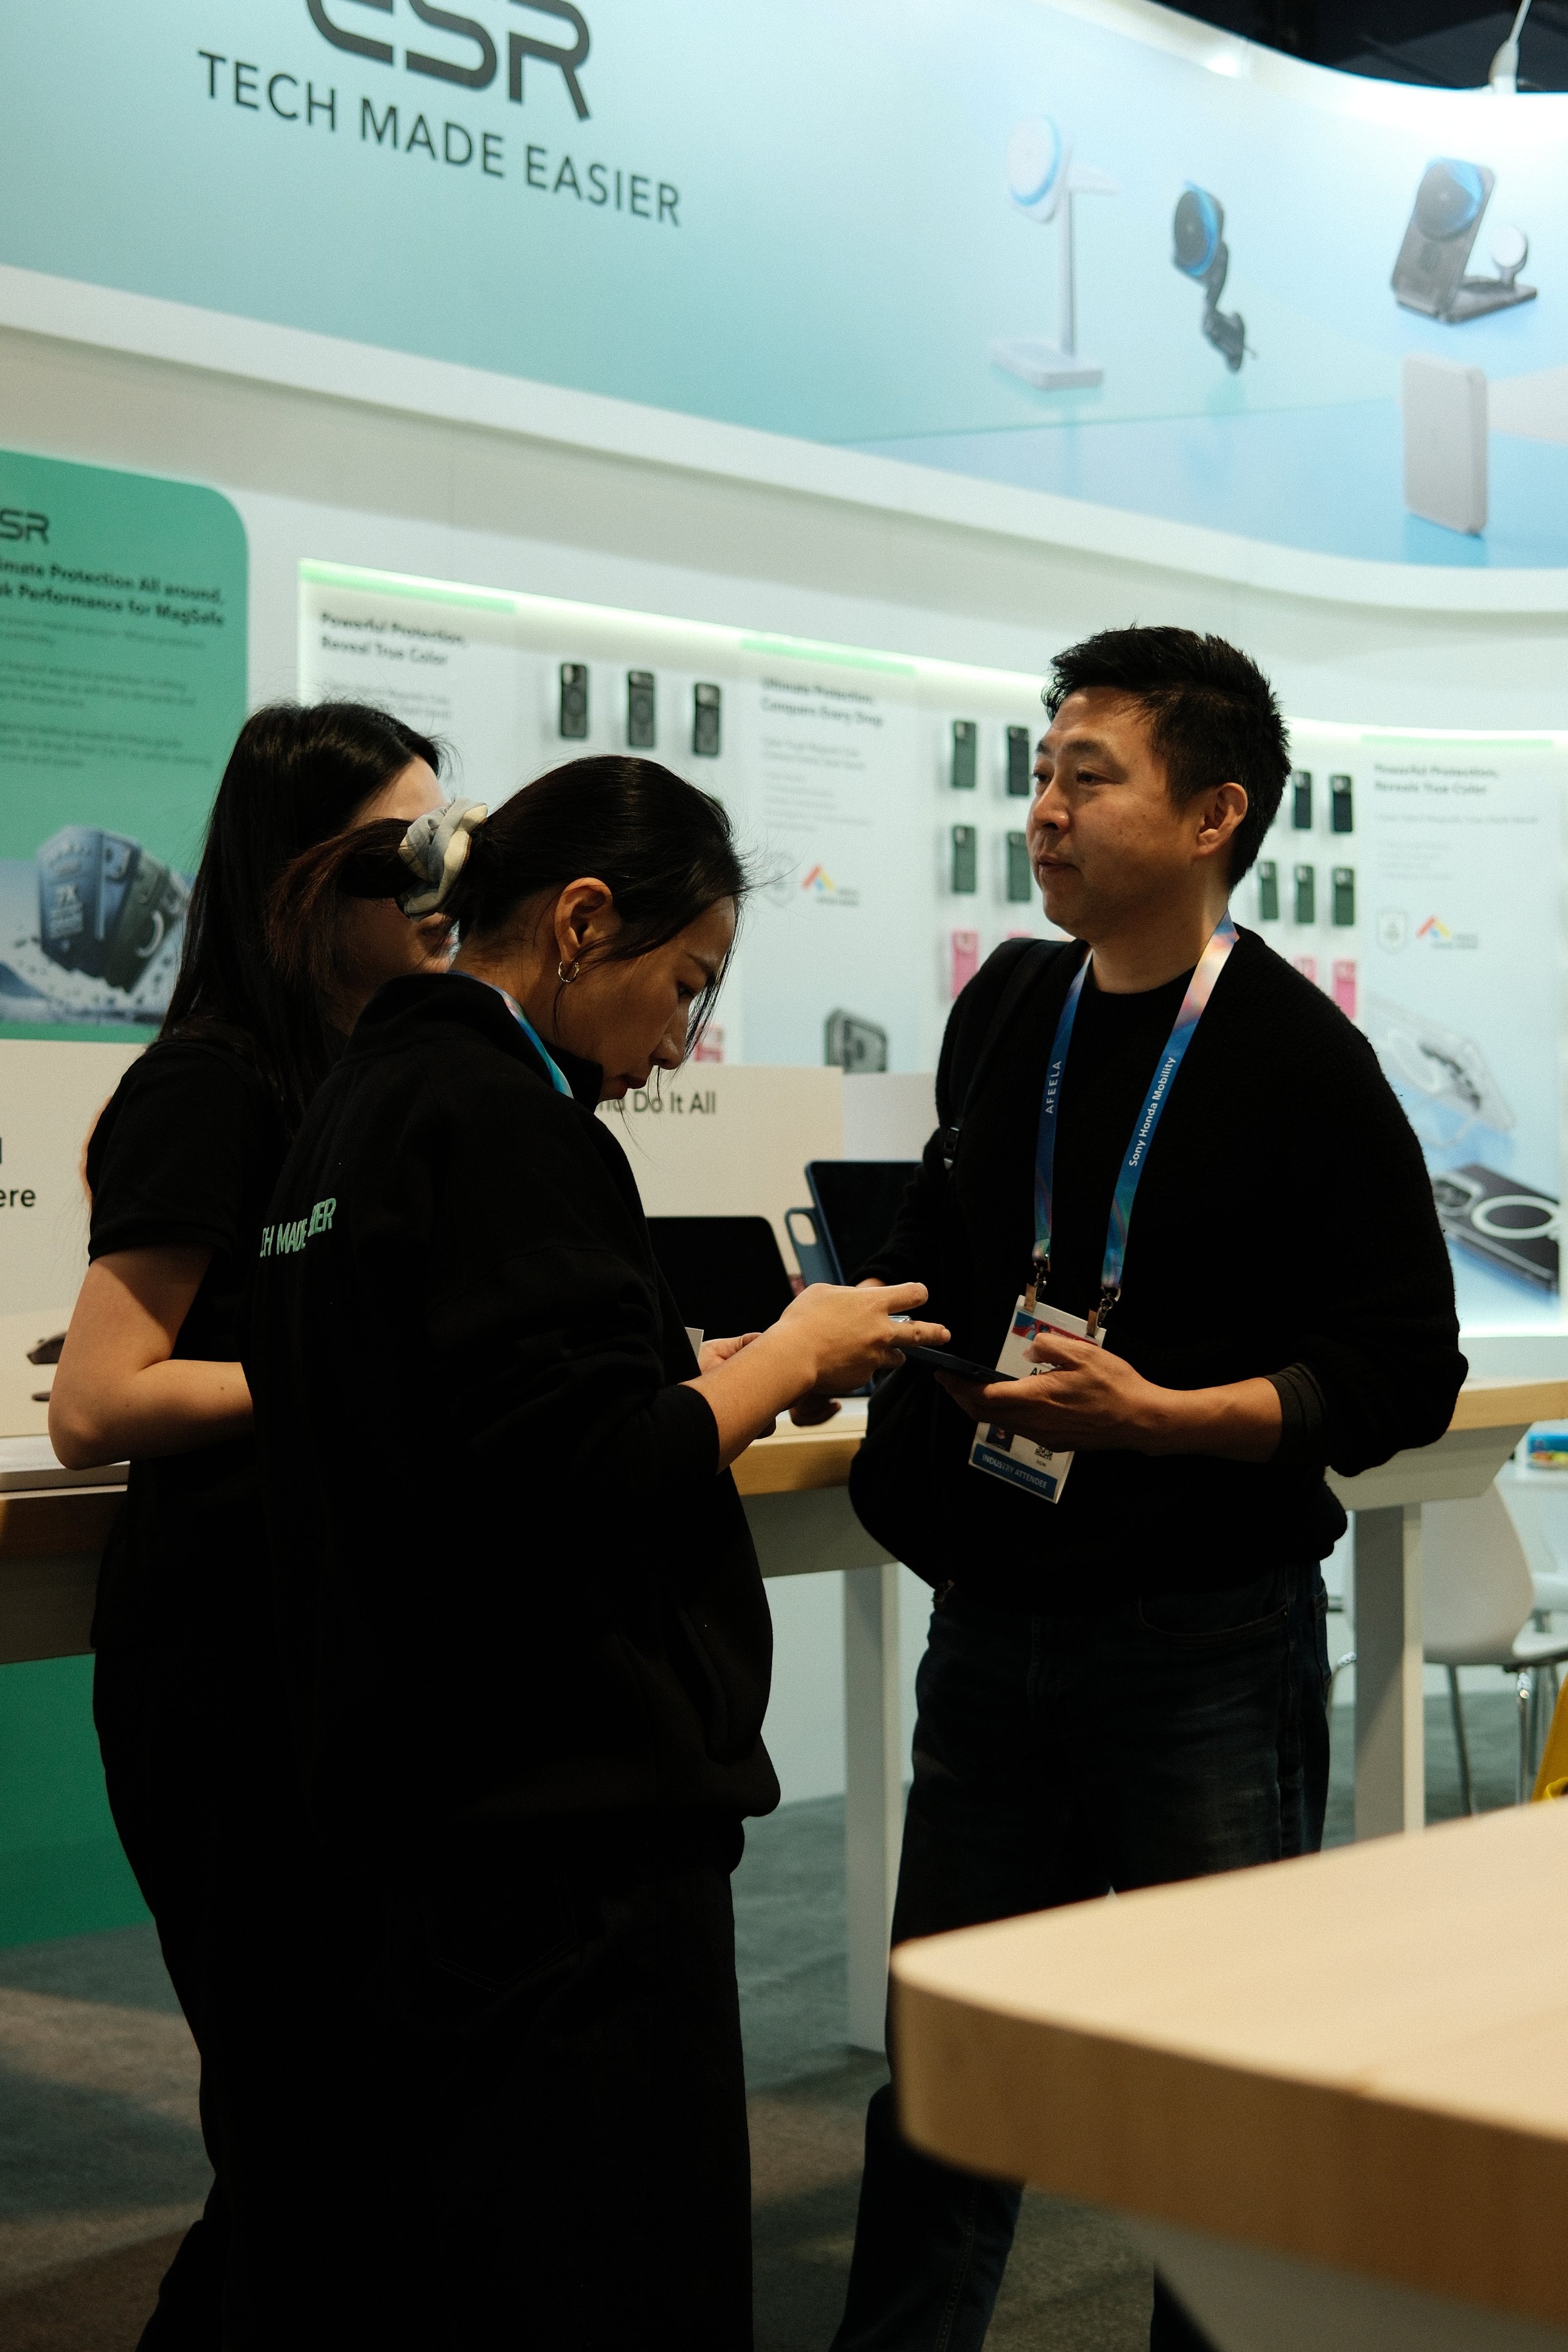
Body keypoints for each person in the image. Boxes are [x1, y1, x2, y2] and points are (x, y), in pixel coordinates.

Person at [245, 753, 948, 2349]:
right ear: (578, 923)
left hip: (419, 1796)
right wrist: (787, 1355)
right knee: (611, 2266)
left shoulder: (356, 1103)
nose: (678, 1043)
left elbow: (460, 1435)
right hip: (567, 1834)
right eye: (687, 989)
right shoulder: (509, 1126)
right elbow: (588, 1472)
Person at [834, 627, 1467, 2352]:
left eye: (1084, 776)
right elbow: (938, 1245)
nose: (1040, 811)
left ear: (1213, 817)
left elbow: (1406, 1364)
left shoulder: (1293, 1058)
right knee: (950, 2068)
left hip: (1199, 1642)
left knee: (1215, 2099)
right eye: (1037, 773)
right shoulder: (1007, 1007)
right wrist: (865, 1329)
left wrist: (1176, 1417)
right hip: (994, 1626)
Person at [48, 702, 455, 2349]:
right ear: (298, 882)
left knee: (349, 2127)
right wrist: (348, 1371)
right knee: (302, 2131)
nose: (438, 883)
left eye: (452, 846)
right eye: (400, 854)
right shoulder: (209, 1085)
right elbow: (99, 1399)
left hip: (344, 1650)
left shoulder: (389, 1073)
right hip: (230, 1668)